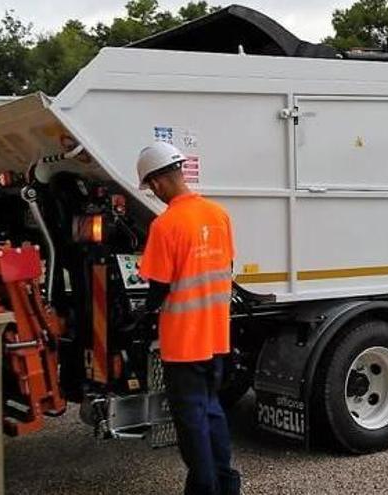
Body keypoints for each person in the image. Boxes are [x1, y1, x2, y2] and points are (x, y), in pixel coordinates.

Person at [136, 141, 241, 495]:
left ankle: (202, 488)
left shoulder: (166, 225)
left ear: (158, 183)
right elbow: (225, 270)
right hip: (216, 339)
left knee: (191, 421)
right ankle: (227, 483)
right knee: (212, 411)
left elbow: (158, 288)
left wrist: (142, 317)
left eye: (151, 187)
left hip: (183, 344)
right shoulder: (219, 215)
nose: (153, 193)